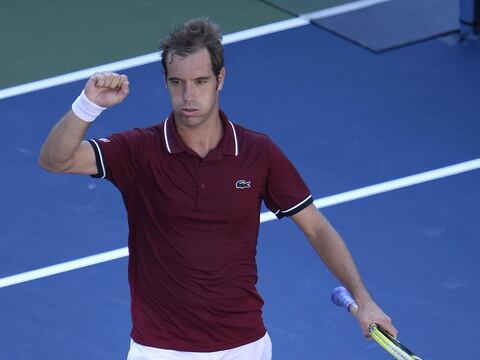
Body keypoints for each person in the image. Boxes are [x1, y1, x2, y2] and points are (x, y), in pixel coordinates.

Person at [39, 18, 397, 360]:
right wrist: (87, 106)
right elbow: (55, 160)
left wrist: (364, 300)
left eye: (200, 81)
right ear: (166, 82)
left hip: (243, 346)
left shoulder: (258, 153)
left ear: (220, 79)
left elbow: (316, 227)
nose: (188, 95)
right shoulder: (138, 151)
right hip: (160, 349)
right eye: (177, 82)